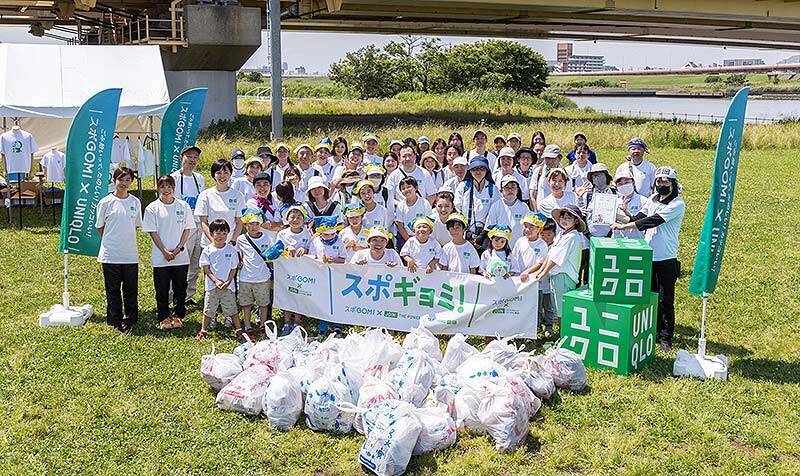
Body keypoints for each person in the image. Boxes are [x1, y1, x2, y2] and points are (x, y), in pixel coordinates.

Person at [611, 166, 685, 352]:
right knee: (650, 297)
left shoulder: (677, 204)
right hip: (648, 256)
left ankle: (666, 337)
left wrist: (624, 227)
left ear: (673, 184)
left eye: (665, 181)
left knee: (665, 300)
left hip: (666, 258)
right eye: (658, 181)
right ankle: (653, 331)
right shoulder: (652, 199)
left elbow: (651, 221)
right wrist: (620, 213)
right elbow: (639, 218)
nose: (661, 184)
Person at [142, 175, 195, 330]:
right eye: (162, 186)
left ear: (173, 188)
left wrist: (179, 248)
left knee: (180, 288)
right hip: (160, 257)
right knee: (162, 289)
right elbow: (152, 232)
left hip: (181, 257)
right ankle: (163, 316)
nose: (166, 190)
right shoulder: (152, 208)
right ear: (158, 188)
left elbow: (187, 229)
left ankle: (178, 315)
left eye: (169, 186)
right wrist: (164, 251)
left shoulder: (183, 206)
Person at [96, 167, 141, 333]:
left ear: (132, 182)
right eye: (121, 179)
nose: (124, 183)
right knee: (113, 289)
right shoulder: (106, 202)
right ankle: (115, 320)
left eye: (128, 180)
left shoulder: (135, 202)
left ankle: (130, 319)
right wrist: (110, 240)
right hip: (110, 254)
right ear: (114, 180)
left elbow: (136, 225)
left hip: (129, 254)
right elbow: (100, 227)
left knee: (131, 289)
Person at [533, 205, 586, 330]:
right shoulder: (562, 234)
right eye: (562, 217)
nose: (564, 220)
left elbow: (556, 258)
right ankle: (562, 335)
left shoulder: (572, 236)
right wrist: (541, 271)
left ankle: (564, 335)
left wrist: (542, 273)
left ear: (576, 221)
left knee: (563, 310)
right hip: (556, 275)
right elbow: (550, 254)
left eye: (568, 218)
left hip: (564, 276)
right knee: (558, 307)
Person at [196, 219, 243, 341]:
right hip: (212, 286)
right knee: (208, 309)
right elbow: (206, 269)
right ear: (212, 234)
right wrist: (216, 281)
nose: (221, 236)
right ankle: (203, 330)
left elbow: (233, 268)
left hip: (228, 287)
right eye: (218, 233)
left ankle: (239, 330)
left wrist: (228, 281)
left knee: (232, 309)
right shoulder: (207, 250)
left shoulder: (231, 250)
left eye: (224, 233)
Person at [170, 145, 205, 305]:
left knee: (195, 263)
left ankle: (188, 296)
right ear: (181, 158)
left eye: (195, 157)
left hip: (198, 225)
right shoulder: (174, 178)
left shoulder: (200, 178)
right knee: (181, 262)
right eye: (189, 156)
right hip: (182, 227)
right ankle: (174, 296)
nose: (192, 160)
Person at [236, 209, 273, 338]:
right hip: (245, 277)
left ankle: (263, 325)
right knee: (246, 304)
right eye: (251, 224)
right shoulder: (241, 239)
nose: (254, 227)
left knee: (263, 304)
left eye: (257, 223)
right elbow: (239, 253)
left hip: (262, 277)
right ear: (245, 225)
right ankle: (248, 326)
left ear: (261, 224)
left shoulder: (267, 237)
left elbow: (271, 254)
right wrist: (240, 262)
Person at [276, 205, 313, 333]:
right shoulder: (282, 234)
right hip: (286, 271)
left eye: (299, 217)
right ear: (287, 219)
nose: (295, 220)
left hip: (302, 271)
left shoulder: (307, 233)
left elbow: (312, 249)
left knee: (299, 295)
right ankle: (287, 322)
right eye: (292, 217)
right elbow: (277, 249)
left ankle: (297, 321)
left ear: (303, 220)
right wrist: (287, 248)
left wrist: (305, 249)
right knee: (287, 294)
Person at [514, 212, 551, 331]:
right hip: (520, 280)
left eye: (531, 227)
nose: (527, 229)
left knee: (535, 306)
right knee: (521, 305)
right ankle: (520, 328)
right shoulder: (520, 241)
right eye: (525, 226)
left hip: (534, 281)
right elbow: (514, 258)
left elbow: (540, 263)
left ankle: (535, 328)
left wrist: (527, 272)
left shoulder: (542, 244)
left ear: (539, 229)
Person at [195, 159, 245, 248]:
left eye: (226, 172)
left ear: (230, 174)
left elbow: (239, 221)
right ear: (213, 174)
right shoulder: (205, 195)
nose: (222, 176)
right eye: (218, 173)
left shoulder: (237, 195)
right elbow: (203, 222)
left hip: (229, 244)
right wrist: (214, 242)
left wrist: (233, 240)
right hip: (209, 244)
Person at [454, 156, 498, 254]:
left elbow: (495, 213)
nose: (478, 172)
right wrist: (466, 230)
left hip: (486, 235)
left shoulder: (492, 189)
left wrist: (483, 234)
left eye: (482, 169)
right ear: (470, 171)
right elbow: (458, 210)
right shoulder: (463, 187)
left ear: (486, 171)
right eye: (474, 169)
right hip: (466, 233)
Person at [486, 175, 530, 243]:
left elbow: (528, 227)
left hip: (519, 245)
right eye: (506, 187)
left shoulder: (524, 206)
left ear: (517, 190)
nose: (510, 190)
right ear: (501, 190)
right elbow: (489, 228)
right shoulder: (495, 206)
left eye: (513, 187)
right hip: (501, 246)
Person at [530, 144, 572, 212]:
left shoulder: (566, 174)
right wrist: (536, 212)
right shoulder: (538, 171)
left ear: (560, 158)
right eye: (547, 158)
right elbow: (532, 195)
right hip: (541, 212)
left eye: (552, 158)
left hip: (560, 213)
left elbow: (568, 195)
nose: (549, 161)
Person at [395, 176, 433, 249]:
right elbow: (400, 226)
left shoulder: (424, 203)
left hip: (423, 238)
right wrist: (409, 241)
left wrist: (422, 238)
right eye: (403, 188)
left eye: (409, 187)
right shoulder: (401, 205)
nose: (406, 190)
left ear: (416, 188)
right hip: (406, 238)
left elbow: (429, 222)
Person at [611, 170, 648, 239]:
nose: (623, 186)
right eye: (620, 184)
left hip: (636, 240)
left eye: (626, 182)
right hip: (617, 240)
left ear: (633, 183)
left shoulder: (643, 201)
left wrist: (625, 213)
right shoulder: (615, 201)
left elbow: (641, 222)